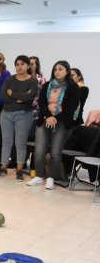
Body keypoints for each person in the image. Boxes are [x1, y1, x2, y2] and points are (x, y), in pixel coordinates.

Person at [28, 60, 80, 189]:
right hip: (45, 119)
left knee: (55, 152)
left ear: (67, 71)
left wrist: (55, 118)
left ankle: (50, 178)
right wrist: (48, 116)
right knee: (39, 150)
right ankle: (39, 177)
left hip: (62, 121)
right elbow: (42, 102)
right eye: (55, 69)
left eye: (60, 69)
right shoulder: (47, 85)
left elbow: (71, 107)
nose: (57, 71)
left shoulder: (73, 87)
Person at [0, 55, 38, 180]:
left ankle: (19, 170)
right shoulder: (9, 79)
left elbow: (30, 98)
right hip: (6, 114)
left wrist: (13, 94)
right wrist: (20, 97)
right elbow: (3, 95)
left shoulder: (33, 81)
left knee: (20, 143)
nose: (19, 67)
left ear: (28, 66)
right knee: (6, 142)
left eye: (22, 64)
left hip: (24, 114)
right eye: (17, 64)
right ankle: (3, 168)